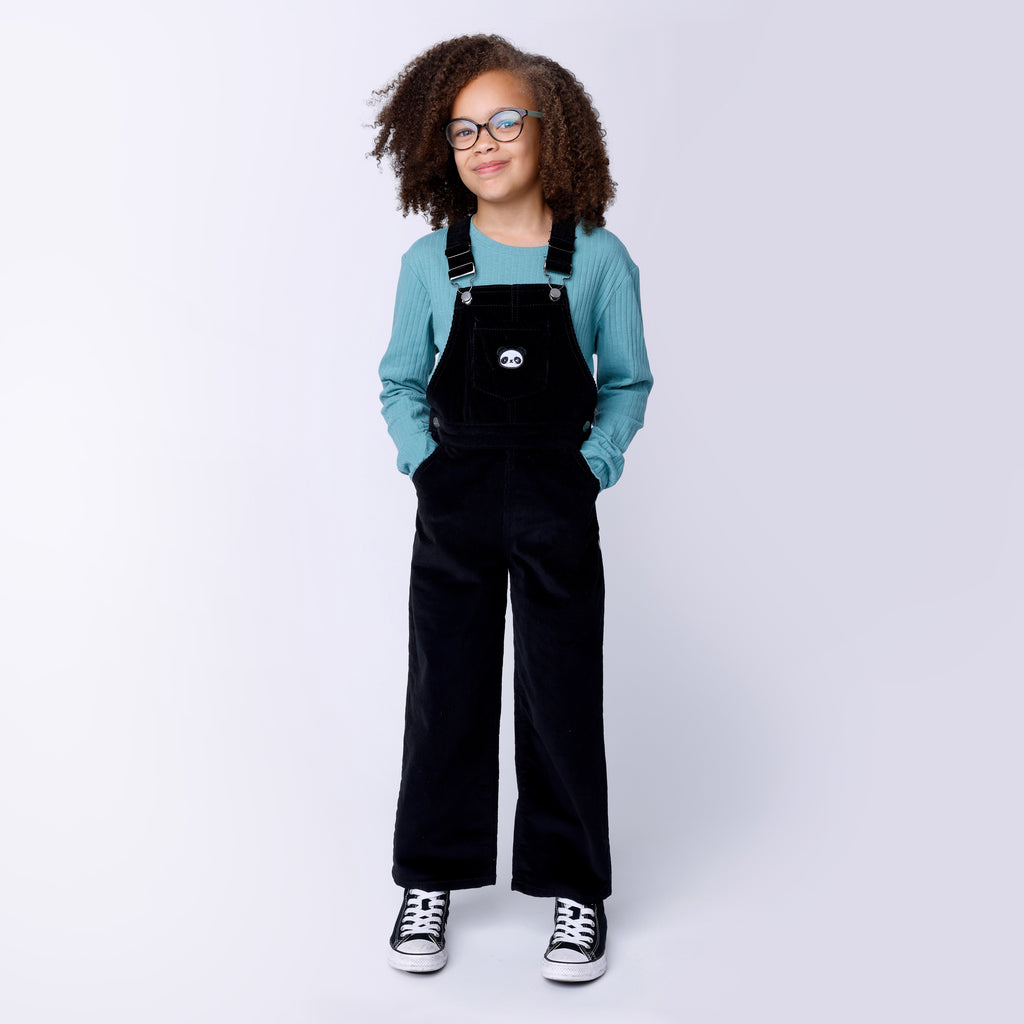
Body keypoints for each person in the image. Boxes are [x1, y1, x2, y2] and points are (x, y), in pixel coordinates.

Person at [370, 34, 653, 983]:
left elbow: (626, 383)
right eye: (462, 131)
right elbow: (400, 381)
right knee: (444, 691)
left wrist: (592, 468)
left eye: (502, 121)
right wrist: (425, 466)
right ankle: (429, 879)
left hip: (554, 501)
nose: (482, 143)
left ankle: (576, 890)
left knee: (560, 691)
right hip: (455, 502)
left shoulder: (598, 258)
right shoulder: (431, 262)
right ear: (440, 147)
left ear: (550, 131)